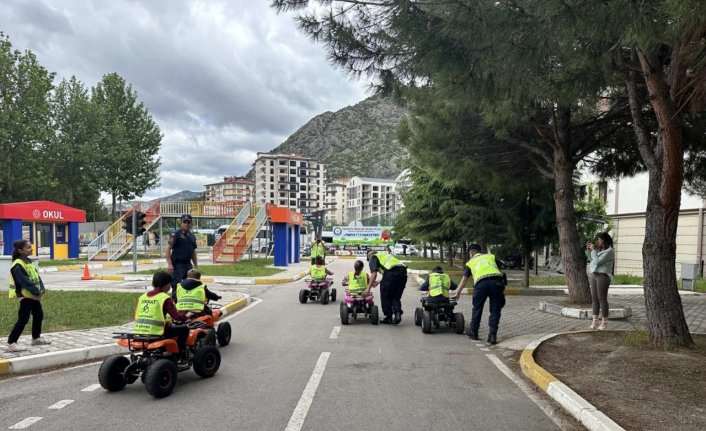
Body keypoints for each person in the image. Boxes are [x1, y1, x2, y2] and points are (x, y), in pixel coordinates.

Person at [451, 244, 505, 345]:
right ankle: (492, 335)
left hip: (481, 284)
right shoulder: (490, 256)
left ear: (471, 253)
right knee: (495, 310)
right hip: (496, 282)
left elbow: (464, 280)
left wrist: (457, 292)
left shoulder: (471, 262)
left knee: (477, 308)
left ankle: (473, 332)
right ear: (480, 251)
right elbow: (500, 269)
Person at [133, 271, 190, 364]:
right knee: (184, 329)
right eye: (169, 284)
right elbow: (177, 317)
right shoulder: (165, 298)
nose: (170, 286)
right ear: (167, 285)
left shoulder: (142, 297)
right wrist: (186, 317)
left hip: (139, 331)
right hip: (157, 332)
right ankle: (180, 355)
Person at [4, 240, 50, 352]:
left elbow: (36, 276)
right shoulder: (18, 265)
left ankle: (36, 338)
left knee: (38, 315)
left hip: (34, 296)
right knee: (23, 319)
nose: (31, 248)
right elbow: (24, 281)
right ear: (20, 251)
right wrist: (36, 292)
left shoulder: (28, 261)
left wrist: (42, 288)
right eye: (28, 247)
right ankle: (11, 343)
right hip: (26, 296)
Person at [364, 250, 407, 324]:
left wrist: (368, 288)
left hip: (391, 275)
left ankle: (389, 317)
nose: (369, 262)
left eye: (368, 260)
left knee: (385, 296)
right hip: (403, 274)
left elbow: (374, 274)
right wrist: (379, 281)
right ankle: (398, 314)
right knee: (395, 296)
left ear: (369, 256)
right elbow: (391, 270)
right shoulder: (386, 256)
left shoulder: (374, 257)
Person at [586, 232, 615, 330]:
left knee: (602, 298)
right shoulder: (600, 250)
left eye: (599, 239)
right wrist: (589, 252)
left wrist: (593, 250)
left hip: (603, 276)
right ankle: (595, 321)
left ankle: (604, 323)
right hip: (594, 275)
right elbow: (593, 261)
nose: (598, 241)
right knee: (594, 299)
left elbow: (598, 261)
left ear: (604, 240)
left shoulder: (610, 251)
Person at [166, 214, 198, 290]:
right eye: (184, 222)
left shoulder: (192, 236)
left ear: (191, 224)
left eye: (188, 222)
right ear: (181, 223)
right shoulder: (176, 234)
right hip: (177, 265)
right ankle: (175, 301)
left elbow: (193, 252)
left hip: (188, 265)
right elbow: (167, 249)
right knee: (176, 286)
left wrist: (196, 265)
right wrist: (170, 264)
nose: (186, 224)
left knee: (189, 286)